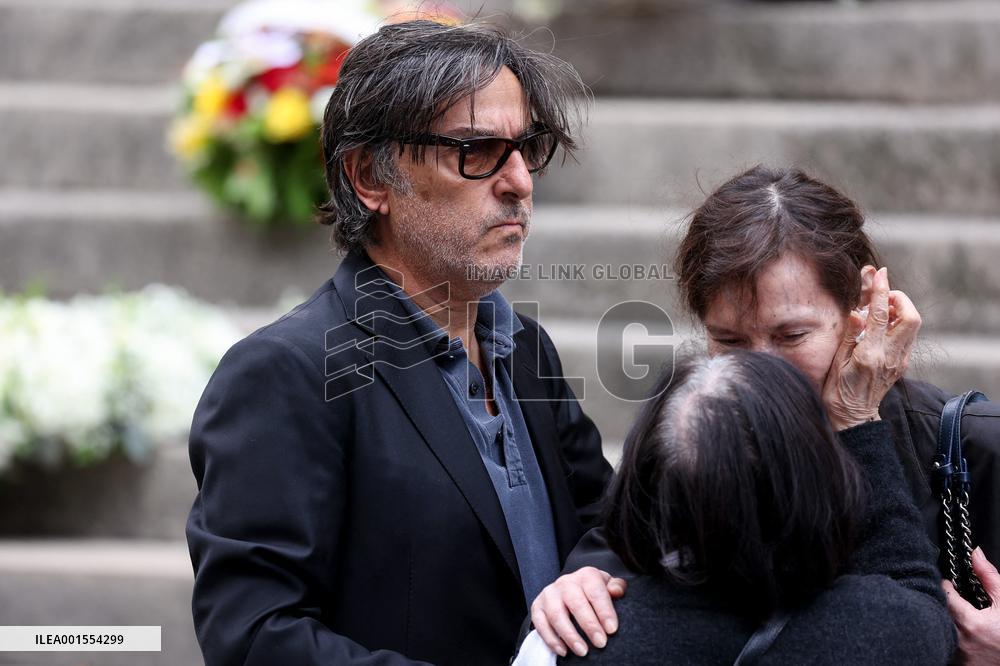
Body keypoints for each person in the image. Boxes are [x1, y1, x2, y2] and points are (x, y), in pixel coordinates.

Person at [185, 20, 612, 666]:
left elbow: (612, 529)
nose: (519, 182)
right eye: (476, 150)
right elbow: (255, 638)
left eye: (527, 147)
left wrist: (587, 579)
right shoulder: (286, 373)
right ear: (369, 178)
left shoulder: (525, 348)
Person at [528, 165, 1000, 660]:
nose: (760, 369)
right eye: (730, 341)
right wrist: (577, 589)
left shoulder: (972, 449)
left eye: (791, 336)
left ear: (865, 301)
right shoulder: (694, 445)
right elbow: (613, 568)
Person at [515, 351, 956, 665]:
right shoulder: (890, 629)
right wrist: (857, 420)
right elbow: (916, 588)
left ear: (641, 489)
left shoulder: (570, 644)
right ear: (824, 482)